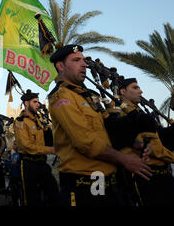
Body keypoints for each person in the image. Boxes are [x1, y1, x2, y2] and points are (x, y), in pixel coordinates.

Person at [47, 44, 152, 206]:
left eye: (83, 60)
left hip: (105, 180)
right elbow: (85, 141)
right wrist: (124, 159)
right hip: (84, 183)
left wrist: (134, 143)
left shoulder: (87, 96)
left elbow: (106, 128)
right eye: (76, 60)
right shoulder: (61, 96)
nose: (84, 64)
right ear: (60, 66)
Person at [118, 78, 174, 206]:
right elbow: (155, 149)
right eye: (135, 88)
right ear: (122, 91)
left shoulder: (139, 114)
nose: (141, 91)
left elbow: (161, 137)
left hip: (163, 176)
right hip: (147, 178)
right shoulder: (122, 114)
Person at [13, 89, 59, 206]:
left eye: (38, 102)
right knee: (31, 198)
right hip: (29, 164)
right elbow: (25, 145)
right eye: (35, 102)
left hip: (42, 163)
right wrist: (50, 150)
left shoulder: (38, 120)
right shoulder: (20, 122)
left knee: (54, 193)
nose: (38, 104)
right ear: (26, 103)